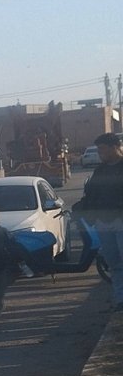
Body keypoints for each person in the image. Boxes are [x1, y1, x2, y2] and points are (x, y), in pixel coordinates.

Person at [75, 132, 123, 310]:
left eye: (102, 149)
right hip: (103, 223)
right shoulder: (99, 171)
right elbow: (90, 195)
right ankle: (120, 299)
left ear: (115, 147)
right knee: (113, 263)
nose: (100, 153)